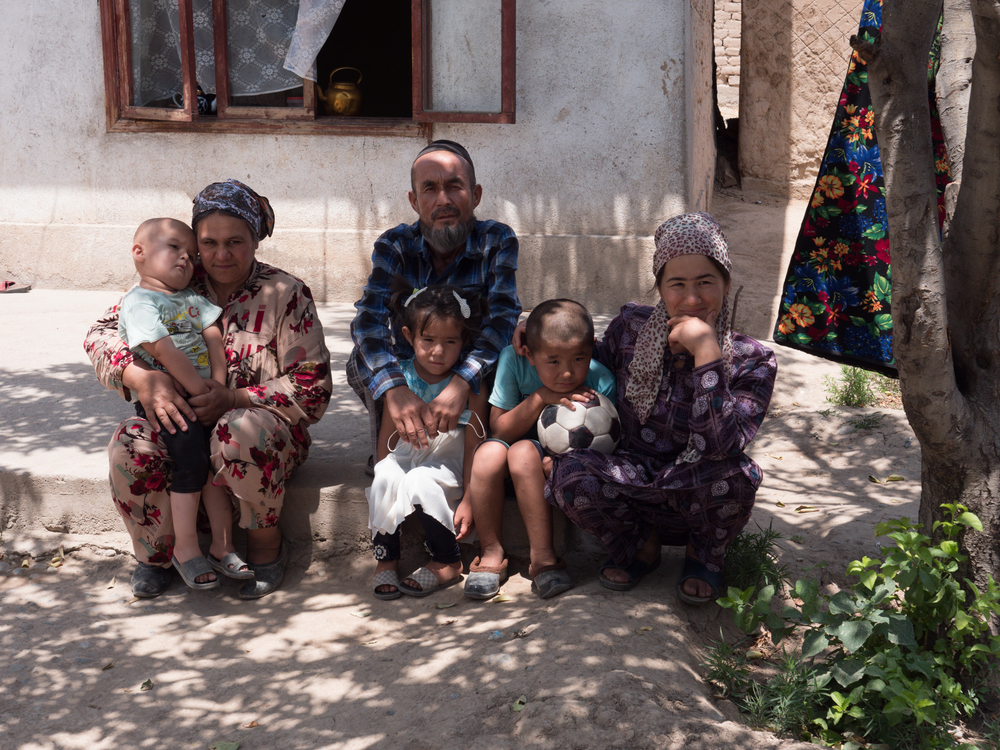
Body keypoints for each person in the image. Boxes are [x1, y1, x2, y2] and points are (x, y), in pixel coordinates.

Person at [85, 179, 333, 599]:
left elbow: (312, 387)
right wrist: (141, 377)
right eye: (209, 242)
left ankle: (265, 546)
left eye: (235, 242)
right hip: (186, 433)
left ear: (255, 240)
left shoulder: (285, 293)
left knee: (239, 430)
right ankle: (157, 555)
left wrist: (235, 398)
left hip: (261, 440)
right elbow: (101, 333)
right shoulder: (175, 279)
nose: (221, 254)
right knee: (130, 441)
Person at [544, 213, 777, 605]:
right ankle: (641, 546)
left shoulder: (753, 360)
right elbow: (580, 367)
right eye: (677, 284)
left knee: (738, 478)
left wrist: (707, 353)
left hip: (702, 489)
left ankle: (702, 556)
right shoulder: (630, 328)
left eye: (706, 282)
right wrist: (535, 341)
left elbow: (721, 446)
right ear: (660, 287)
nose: (691, 298)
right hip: (630, 481)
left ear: (726, 283)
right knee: (569, 474)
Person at [347, 139, 520, 469]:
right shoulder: (395, 245)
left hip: (469, 363)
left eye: (455, 186)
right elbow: (368, 322)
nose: (444, 200)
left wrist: (460, 384)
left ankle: (477, 458)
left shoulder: (496, 240)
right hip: (416, 363)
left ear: (476, 194)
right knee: (362, 359)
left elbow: (503, 318)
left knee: (508, 357)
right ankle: (393, 448)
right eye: (430, 189)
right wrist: (396, 390)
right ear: (414, 201)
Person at [118, 217, 247, 590]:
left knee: (214, 463)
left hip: (205, 398)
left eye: (191, 256)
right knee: (190, 462)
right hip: (170, 404)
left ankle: (223, 546)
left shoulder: (191, 298)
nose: (186, 260)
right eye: (175, 248)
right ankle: (185, 549)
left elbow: (213, 337)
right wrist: (198, 390)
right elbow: (165, 350)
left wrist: (219, 388)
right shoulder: (139, 302)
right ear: (139, 253)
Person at [465, 299, 616, 600]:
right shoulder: (513, 360)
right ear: (530, 355)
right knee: (488, 453)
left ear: (592, 348)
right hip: (511, 455)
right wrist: (539, 398)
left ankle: (543, 560)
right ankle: (491, 553)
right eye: (553, 361)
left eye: (578, 358)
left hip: (558, 467)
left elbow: (608, 446)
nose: (567, 373)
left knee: (522, 453)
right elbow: (499, 429)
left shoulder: (600, 379)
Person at [368, 278, 489, 600]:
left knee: (420, 480)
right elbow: (387, 436)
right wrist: (384, 469)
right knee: (385, 475)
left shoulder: (470, 386)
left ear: (464, 341)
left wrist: (469, 499)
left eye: (450, 342)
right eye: (428, 339)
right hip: (406, 453)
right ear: (409, 336)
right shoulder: (401, 379)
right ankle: (386, 558)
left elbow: (475, 445)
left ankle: (448, 560)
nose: (438, 351)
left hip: (446, 465)